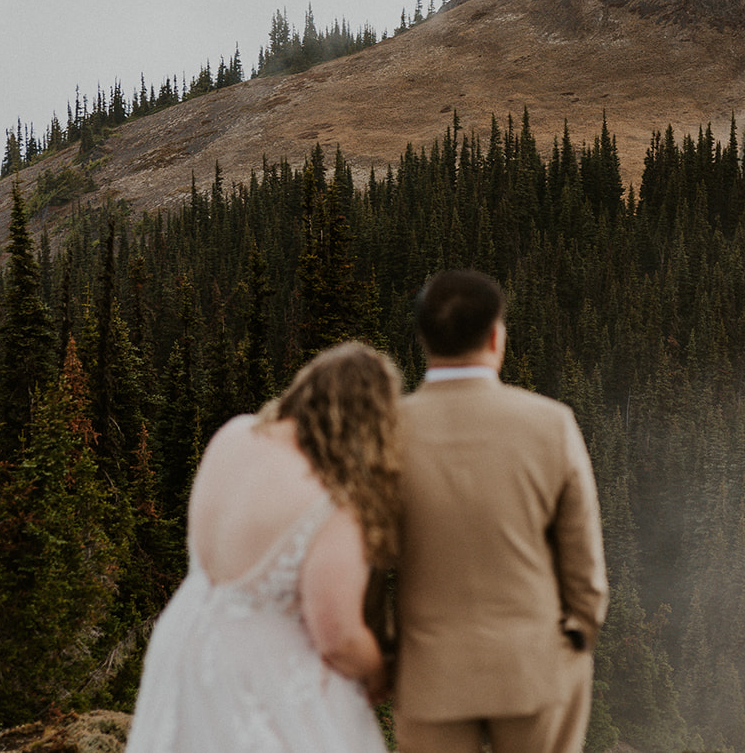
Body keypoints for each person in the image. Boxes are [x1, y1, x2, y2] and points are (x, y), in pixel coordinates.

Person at [125, 341, 402, 753]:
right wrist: (382, 673)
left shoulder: (234, 435)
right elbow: (337, 636)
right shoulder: (333, 500)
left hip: (182, 641)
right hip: (259, 675)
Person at [393, 268, 608, 753]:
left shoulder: (386, 430)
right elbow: (585, 568)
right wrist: (578, 634)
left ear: (424, 339)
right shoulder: (552, 424)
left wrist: (387, 658)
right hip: (532, 668)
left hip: (430, 676)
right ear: (496, 337)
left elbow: (362, 559)